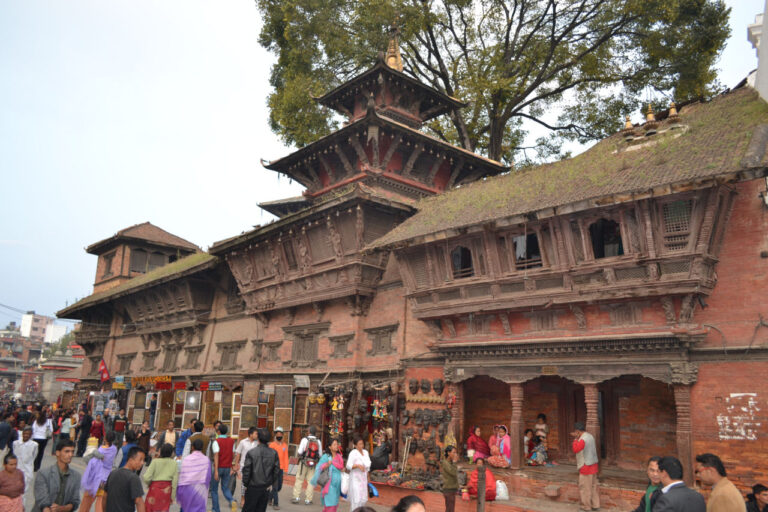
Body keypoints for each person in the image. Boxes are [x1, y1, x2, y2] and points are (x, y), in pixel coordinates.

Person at [32, 438, 81, 512]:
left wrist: (63, 508)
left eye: (72, 452)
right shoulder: (43, 473)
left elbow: (75, 500)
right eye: (67, 451)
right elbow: (42, 499)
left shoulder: (76, 476)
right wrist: (48, 509)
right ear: (58, 453)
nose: (70, 455)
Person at [242, 428, 279, 512]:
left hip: (252, 486)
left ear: (258, 438)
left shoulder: (251, 452)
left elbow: (247, 471)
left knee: (248, 508)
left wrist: (246, 484)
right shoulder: (274, 453)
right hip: (265, 487)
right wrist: (270, 482)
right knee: (261, 509)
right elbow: (276, 471)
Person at [80, 430, 118, 512]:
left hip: (96, 477)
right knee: (100, 501)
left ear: (105, 438)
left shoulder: (101, 450)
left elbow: (93, 460)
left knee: (87, 499)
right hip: (105, 478)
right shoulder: (114, 449)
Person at [104, 446, 146, 512]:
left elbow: (105, 496)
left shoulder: (113, 473)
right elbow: (138, 502)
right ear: (131, 459)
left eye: (143, 460)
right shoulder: (134, 478)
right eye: (140, 459)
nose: (142, 463)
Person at [178, 438, 212, 512]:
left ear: (192, 447)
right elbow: (208, 477)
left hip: (187, 489)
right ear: (202, 448)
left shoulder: (187, 459)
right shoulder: (206, 460)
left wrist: (180, 492)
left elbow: (182, 476)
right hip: (200, 490)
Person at [310, 438, 344, 512]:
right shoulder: (326, 456)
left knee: (334, 505)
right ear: (329, 447)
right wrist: (327, 464)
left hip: (337, 485)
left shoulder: (339, 456)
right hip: (329, 485)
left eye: (337, 444)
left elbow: (341, 467)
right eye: (334, 444)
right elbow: (319, 467)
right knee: (330, 505)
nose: (336, 446)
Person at [143, 443, 179, 512]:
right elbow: (174, 483)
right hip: (166, 491)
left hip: (154, 489)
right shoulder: (174, 463)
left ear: (161, 451)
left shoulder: (155, 462)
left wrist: (150, 484)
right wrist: (172, 497)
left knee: (150, 509)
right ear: (171, 453)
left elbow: (146, 477)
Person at [572, 422, 599, 511]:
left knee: (585, 488)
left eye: (575, 432)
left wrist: (575, 439)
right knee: (593, 487)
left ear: (578, 431)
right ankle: (595, 505)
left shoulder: (582, 439)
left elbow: (576, 449)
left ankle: (586, 507)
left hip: (586, 467)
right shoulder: (590, 436)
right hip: (594, 465)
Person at [292, 425, 322, 505]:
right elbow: (320, 454)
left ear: (309, 432)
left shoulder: (304, 440)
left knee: (299, 479)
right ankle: (308, 499)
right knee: (310, 482)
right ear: (315, 433)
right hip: (313, 464)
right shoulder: (318, 441)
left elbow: (300, 452)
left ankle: (296, 497)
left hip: (303, 463)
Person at [210, 423, 237, 512]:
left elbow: (216, 456)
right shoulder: (232, 441)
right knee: (225, 488)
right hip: (227, 467)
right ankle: (232, 500)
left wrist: (216, 471)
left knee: (214, 490)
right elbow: (233, 454)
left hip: (219, 467)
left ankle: (216, 509)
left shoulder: (216, 441)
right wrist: (231, 465)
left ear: (218, 431)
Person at [233, 427, 259, 508]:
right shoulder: (243, 442)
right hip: (244, 467)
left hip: (254, 467)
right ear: (251, 434)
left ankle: (251, 501)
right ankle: (243, 499)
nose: (257, 435)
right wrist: (236, 465)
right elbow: (238, 454)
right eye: (256, 433)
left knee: (253, 485)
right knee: (244, 485)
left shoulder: (257, 443)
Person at [346, 433, 372, 512]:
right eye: (359, 444)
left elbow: (368, 467)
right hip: (355, 480)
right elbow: (348, 465)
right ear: (355, 445)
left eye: (362, 443)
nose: (362, 446)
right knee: (356, 500)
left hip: (363, 480)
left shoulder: (366, 452)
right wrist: (357, 465)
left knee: (363, 500)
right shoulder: (353, 453)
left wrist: (368, 477)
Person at [268, 426, 289, 510]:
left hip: (281, 469)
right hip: (273, 469)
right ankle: (276, 503)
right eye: (278, 434)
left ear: (282, 435)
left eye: (280, 434)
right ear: (275, 435)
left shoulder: (285, 445)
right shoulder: (272, 445)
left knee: (279, 487)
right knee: (275, 487)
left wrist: (286, 469)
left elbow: (286, 458)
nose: (279, 435)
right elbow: (269, 458)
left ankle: (269, 498)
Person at [12, 426, 36, 493]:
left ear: (31, 435)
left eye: (28, 434)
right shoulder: (15, 443)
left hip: (27, 470)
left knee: (23, 491)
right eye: (25, 433)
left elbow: (34, 457)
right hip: (16, 468)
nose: (26, 435)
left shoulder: (34, 445)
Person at [441, 446, 459, 512]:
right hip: (448, 489)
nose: (455, 455)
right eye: (454, 452)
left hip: (452, 489)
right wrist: (454, 462)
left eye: (456, 453)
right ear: (448, 453)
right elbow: (453, 473)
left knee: (450, 509)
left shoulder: (451, 463)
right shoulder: (445, 463)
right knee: (450, 509)